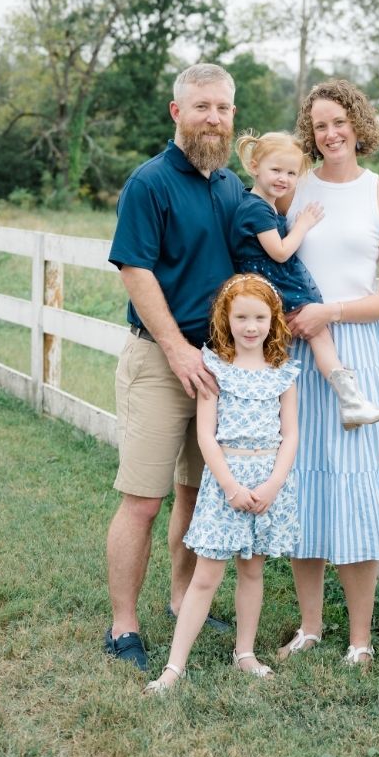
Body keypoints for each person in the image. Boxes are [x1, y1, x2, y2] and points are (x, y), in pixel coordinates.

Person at [104, 63, 246, 670]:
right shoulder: (151, 182)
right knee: (144, 499)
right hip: (164, 360)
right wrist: (177, 349)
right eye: (202, 107)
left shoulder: (234, 187)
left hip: (218, 366)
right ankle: (122, 628)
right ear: (176, 112)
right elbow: (136, 270)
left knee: (196, 493)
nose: (213, 118)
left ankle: (181, 597)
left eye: (223, 108)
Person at [273, 78, 379, 668]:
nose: (330, 133)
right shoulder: (293, 190)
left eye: (340, 122)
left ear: (358, 124)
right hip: (297, 353)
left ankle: (360, 638)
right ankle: (310, 626)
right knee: (302, 479)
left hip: (355, 351)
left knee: (355, 487)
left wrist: (331, 310)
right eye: (320, 124)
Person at [145, 273, 301, 693]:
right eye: (242, 317)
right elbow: (205, 436)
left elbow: (291, 436)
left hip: (267, 484)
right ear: (225, 318)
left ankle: (245, 652)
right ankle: (174, 667)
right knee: (206, 577)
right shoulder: (214, 366)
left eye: (260, 317)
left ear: (273, 320)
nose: (251, 327)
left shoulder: (283, 372)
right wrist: (231, 486)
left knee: (252, 572)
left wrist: (272, 485)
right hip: (225, 484)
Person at [232, 130, 379, 428]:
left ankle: (351, 401)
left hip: (272, 287)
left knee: (317, 338)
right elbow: (280, 253)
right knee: (319, 335)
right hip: (274, 288)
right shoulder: (256, 209)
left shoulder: (263, 204)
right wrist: (303, 224)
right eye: (276, 170)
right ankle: (351, 401)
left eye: (292, 173)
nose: (284, 178)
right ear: (255, 167)